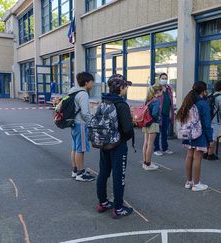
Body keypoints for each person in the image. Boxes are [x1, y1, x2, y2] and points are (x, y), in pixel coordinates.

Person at [96, 74, 135, 219]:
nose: (126, 89)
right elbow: (127, 129)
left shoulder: (104, 101)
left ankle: (103, 202)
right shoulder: (121, 104)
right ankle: (118, 208)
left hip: (104, 143)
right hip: (118, 145)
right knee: (119, 177)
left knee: (103, 173)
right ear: (121, 88)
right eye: (126, 86)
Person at [177, 81, 213, 191]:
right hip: (199, 134)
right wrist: (210, 139)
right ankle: (197, 184)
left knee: (189, 156)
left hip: (188, 133)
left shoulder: (189, 101)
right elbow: (206, 123)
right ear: (204, 91)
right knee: (197, 158)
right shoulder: (203, 103)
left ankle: (189, 181)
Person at [69, 72, 95, 182]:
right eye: (91, 82)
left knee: (75, 148)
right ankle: (81, 173)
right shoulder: (83, 94)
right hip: (81, 124)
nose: (92, 84)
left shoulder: (73, 91)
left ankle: (75, 170)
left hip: (74, 123)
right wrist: (91, 123)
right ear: (86, 82)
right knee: (81, 149)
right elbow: (85, 113)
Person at [142, 84, 163, 171]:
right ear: (158, 91)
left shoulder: (148, 99)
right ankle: (148, 164)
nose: (162, 92)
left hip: (146, 122)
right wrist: (158, 118)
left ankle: (145, 162)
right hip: (153, 123)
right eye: (161, 91)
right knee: (150, 144)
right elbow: (154, 113)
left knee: (146, 143)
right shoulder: (156, 101)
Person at [205, 80, 221, 160]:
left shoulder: (211, 94)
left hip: (208, 119)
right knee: (213, 137)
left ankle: (206, 152)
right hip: (215, 120)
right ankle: (210, 154)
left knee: (208, 136)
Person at [154, 73, 175, 156]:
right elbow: (151, 98)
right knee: (157, 132)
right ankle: (156, 149)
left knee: (164, 132)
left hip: (166, 113)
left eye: (166, 78)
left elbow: (171, 100)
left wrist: (172, 112)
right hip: (158, 114)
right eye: (162, 78)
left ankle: (165, 148)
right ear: (159, 79)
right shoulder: (156, 88)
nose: (164, 79)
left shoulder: (169, 88)